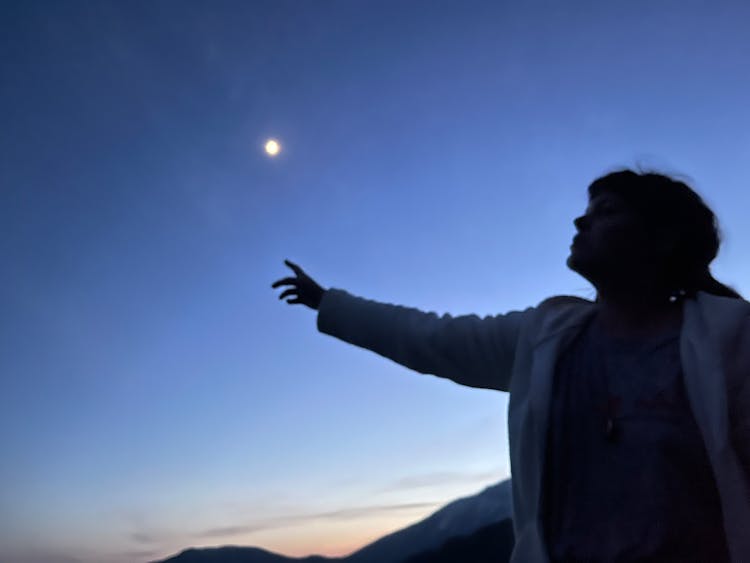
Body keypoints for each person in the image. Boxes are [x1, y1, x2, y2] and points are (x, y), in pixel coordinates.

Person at [272, 169, 750, 562]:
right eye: (585, 213)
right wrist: (329, 304)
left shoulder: (732, 337)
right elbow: (431, 337)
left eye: (606, 212)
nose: (581, 223)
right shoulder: (547, 337)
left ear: (663, 238)